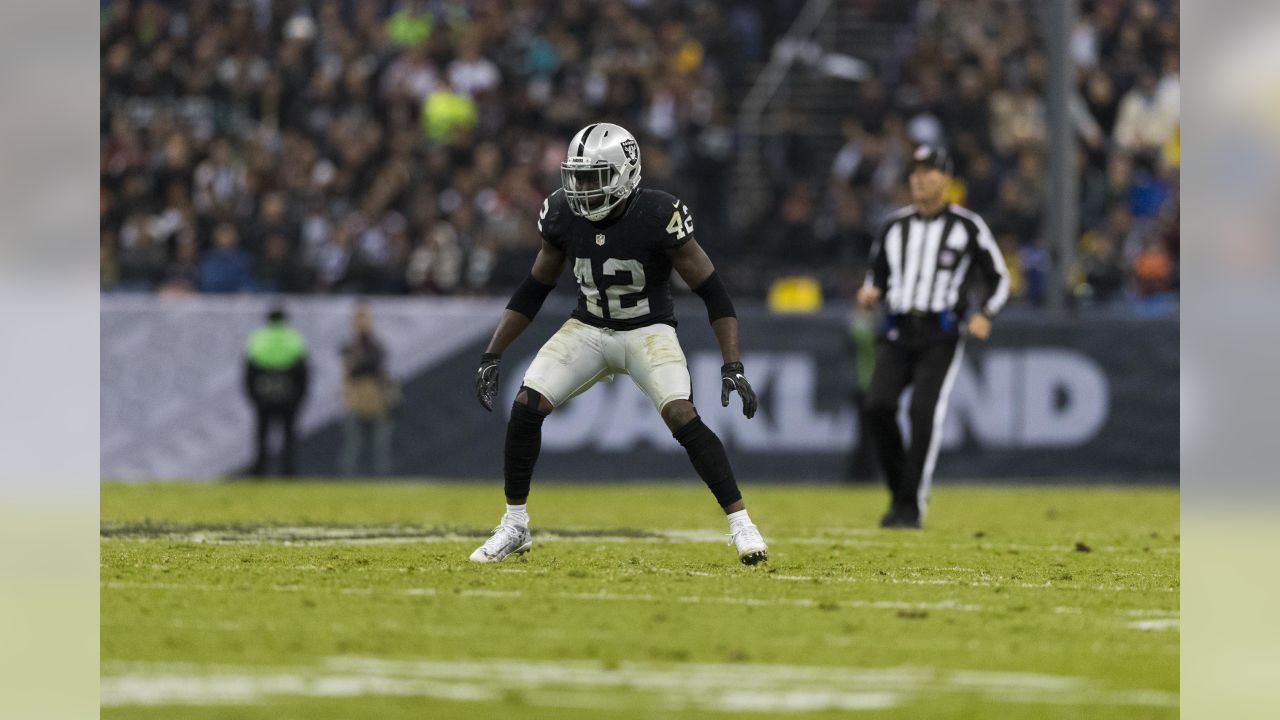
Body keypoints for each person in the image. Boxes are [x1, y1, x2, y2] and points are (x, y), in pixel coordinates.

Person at [471, 123, 767, 565]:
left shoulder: (656, 214)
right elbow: (534, 287)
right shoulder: (562, 213)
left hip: (648, 331)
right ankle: (514, 524)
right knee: (527, 404)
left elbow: (713, 291)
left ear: (626, 174)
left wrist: (733, 364)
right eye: (578, 176)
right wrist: (492, 354)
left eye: (595, 176)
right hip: (588, 328)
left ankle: (742, 524)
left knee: (681, 414)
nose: (583, 188)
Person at [856, 146, 1010, 529]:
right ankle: (901, 494)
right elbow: (877, 273)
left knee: (922, 412)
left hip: (940, 332)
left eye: (928, 171)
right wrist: (870, 290)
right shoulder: (894, 226)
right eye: (915, 171)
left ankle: (910, 505)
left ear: (946, 179)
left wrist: (985, 313)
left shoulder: (967, 226)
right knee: (877, 406)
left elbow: (999, 277)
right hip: (897, 329)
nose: (920, 178)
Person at [243, 305, 309, 477]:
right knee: (289, 436)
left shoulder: (258, 338)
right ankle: (289, 472)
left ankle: (259, 472)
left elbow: (249, 372)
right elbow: (303, 372)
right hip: (289, 394)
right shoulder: (294, 338)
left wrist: (253, 396)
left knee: (262, 436)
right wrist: (300, 396)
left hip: (264, 393)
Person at [339, 303, 396, 476]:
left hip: (376, 398)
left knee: (380, 446)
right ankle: (348, 480)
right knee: (353, 445)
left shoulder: (375, 347)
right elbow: (351, 371)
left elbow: (377, 368)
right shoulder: (350, 347)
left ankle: (380, 480)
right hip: (356, 398)